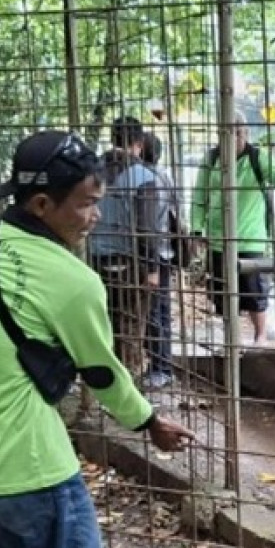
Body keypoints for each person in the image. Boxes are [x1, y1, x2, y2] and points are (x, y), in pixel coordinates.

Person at [0, 129, 193, 548]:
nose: (96, 216)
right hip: (29, 471)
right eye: (87, 204)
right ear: (43, 204)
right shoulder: (73, 282)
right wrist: (150, 423)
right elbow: (102, 373)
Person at [190, 110, 275, 346]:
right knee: (223, 293)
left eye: (237, 133)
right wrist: (196, 230)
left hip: (250, 238)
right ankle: (233, 338)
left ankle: (260, 337)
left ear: (246, 133)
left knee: (254, 292)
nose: (232, 138)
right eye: (226, 133)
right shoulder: (211, 160)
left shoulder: (258, 158)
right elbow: (199, 197)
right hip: (218, 238)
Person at [89, 116, 168, 377]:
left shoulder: (91, 171)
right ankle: (126, 385)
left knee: (100, 328)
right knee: (130, 331)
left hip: (93, 262)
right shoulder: (143, 177)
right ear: (139, 142)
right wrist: (153, 269)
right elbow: (147, 228)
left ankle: (96, 388)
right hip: (129, 265)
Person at [140, 131, 183, 387]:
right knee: (161, 312)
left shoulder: (147, 178)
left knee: (154, 313)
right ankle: (161, 366)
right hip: (165, 251)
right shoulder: (165, 175)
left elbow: (151, 225)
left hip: (153, 253)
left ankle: (160, 368)